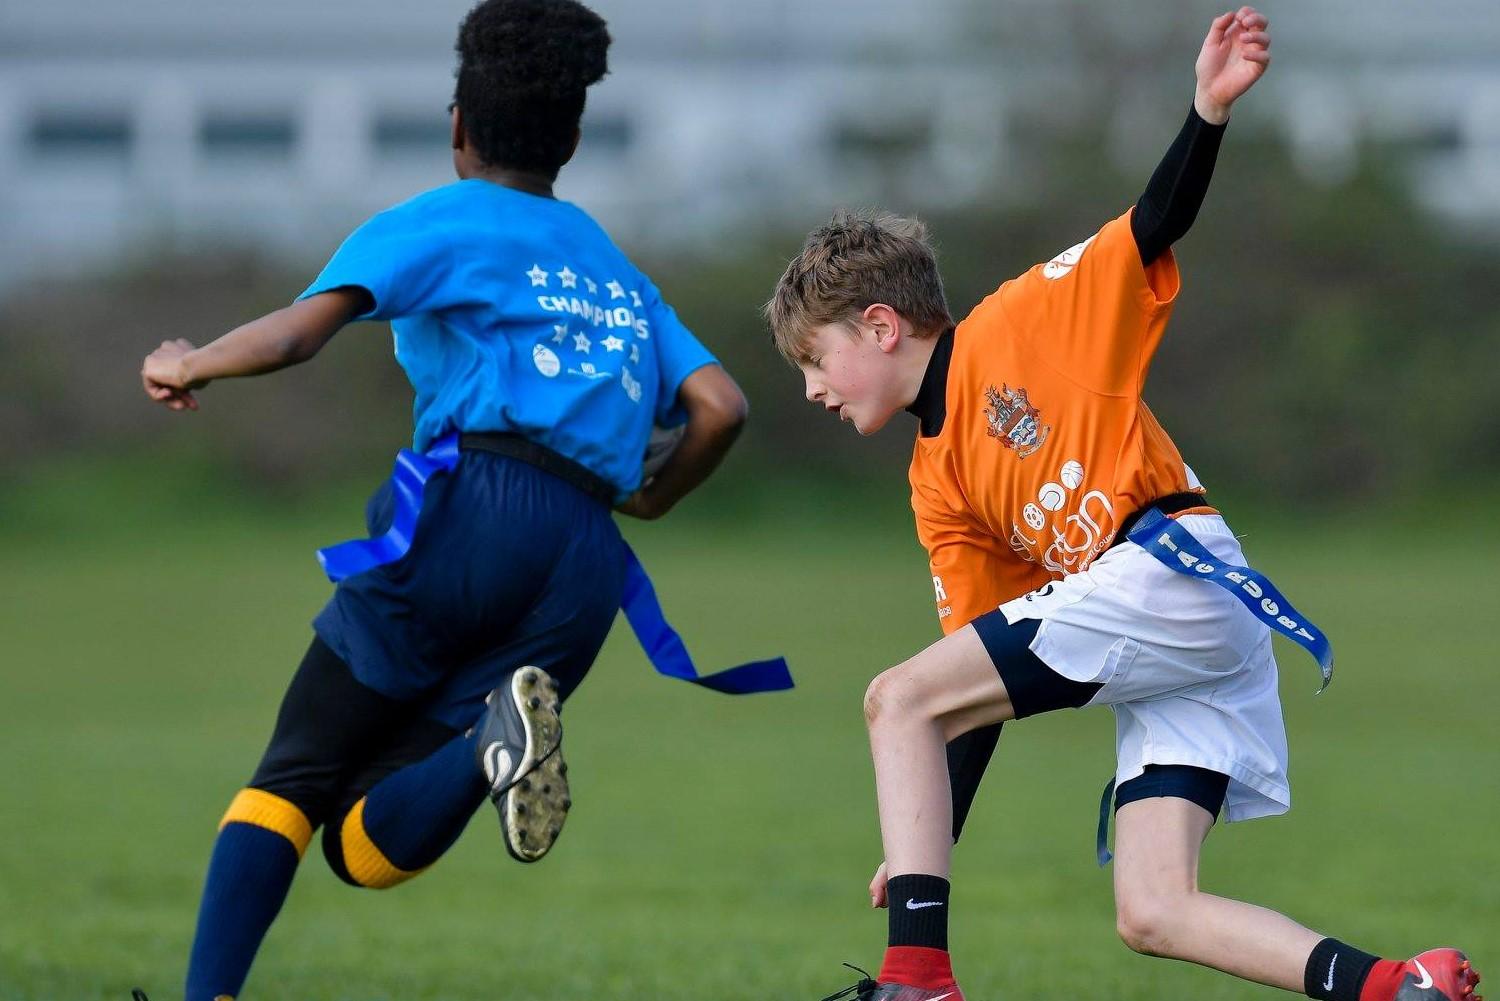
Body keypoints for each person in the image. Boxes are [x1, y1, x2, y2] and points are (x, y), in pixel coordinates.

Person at [765, 9, 1482, 1001]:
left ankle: (917, 979)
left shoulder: (1022, 319)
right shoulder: (936, 483)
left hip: (1171, 570)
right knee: (1154, 909)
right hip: (1186, 633)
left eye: (815, 358)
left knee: (894, 693)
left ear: (880, 326)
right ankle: (1396, 986)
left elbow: (1154, 221)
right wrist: (931, 839)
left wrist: (1207, 112)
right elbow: (962, 703)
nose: (813, 387)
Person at [138, 2, 749, 998]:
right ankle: (483, 749)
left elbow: (298, 335)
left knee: (291, 776)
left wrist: (189, 358)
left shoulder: (436, 219)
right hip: (587, 560)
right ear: (576, 138)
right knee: (362, 841)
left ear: (458, 124)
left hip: (468, 506)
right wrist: (655, 498)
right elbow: (720, 405)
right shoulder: (612, 265)